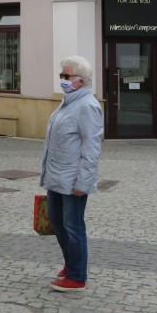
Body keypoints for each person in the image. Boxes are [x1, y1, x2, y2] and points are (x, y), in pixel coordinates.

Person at [39, 55, 103, 292]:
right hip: (57, 175)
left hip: (74, 179)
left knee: (73, 225)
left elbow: (92, 147)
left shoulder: (88, 106)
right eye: (61, 76)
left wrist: (83, 182)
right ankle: (70, 263)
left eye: (67, 76)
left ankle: (77, 276)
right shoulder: (68, 102)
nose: (63, 80)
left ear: (81, 81)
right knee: (56, 220)